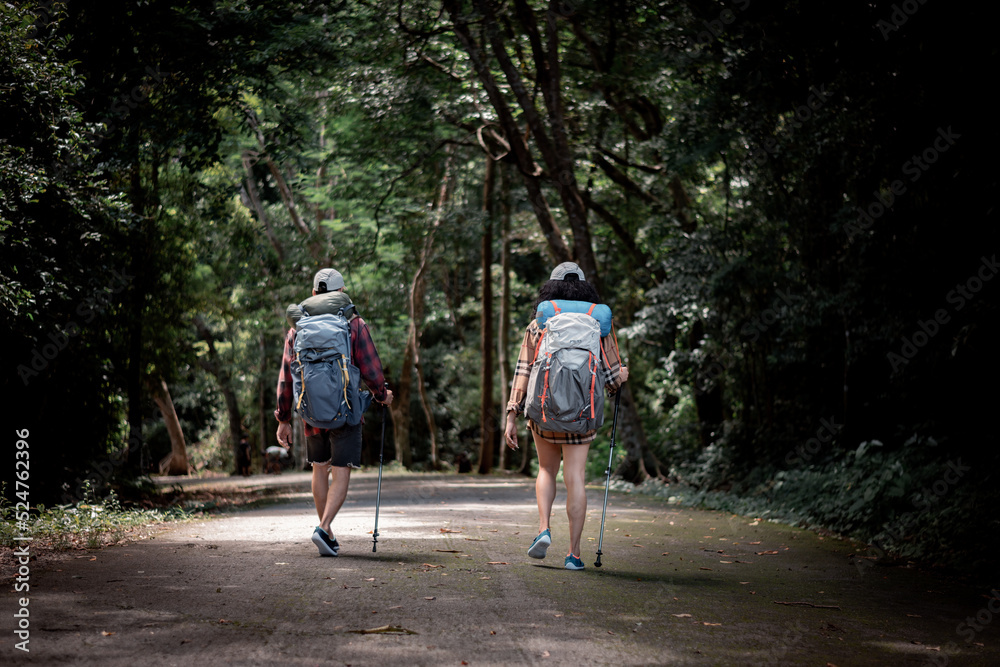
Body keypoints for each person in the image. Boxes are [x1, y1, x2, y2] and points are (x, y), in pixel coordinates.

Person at [504, 262, 628, 571]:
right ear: (584, 288)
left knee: (546, 470)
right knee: (575, 478)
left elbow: (524, 370)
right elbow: (612, 378)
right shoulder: (599, 322)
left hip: (543, 412)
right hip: (583, 415)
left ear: (552, 288)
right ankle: (573, 555)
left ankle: (544, 528)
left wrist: (511, 413)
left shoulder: (541, 322)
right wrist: (621, 375)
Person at [275, 268, 393, 557]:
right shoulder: (354, 324)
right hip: (347, 409)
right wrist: (381, 395)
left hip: (311, 411)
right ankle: (323, 527)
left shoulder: (297, 328)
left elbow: (286, 376)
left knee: (319, 467)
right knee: (340, 471)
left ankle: (326, 533)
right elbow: (370, 367)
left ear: (314, 294)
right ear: (341, 293)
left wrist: (283, 418)